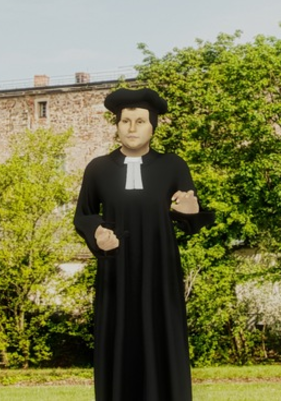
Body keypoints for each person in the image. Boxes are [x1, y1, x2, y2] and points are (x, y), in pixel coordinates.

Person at [74, 87, 214, 401]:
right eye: (126, 121)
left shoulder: (173, 166)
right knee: (118, 339)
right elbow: (83, 215)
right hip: (116, 273)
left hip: (160, 270)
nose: (132, 128)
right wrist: (97, 233)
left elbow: (190, 214)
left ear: (153, 126)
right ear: (117, 126)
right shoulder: (98, 169)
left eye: (140, 121)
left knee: (162, 334)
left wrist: (191, 212)